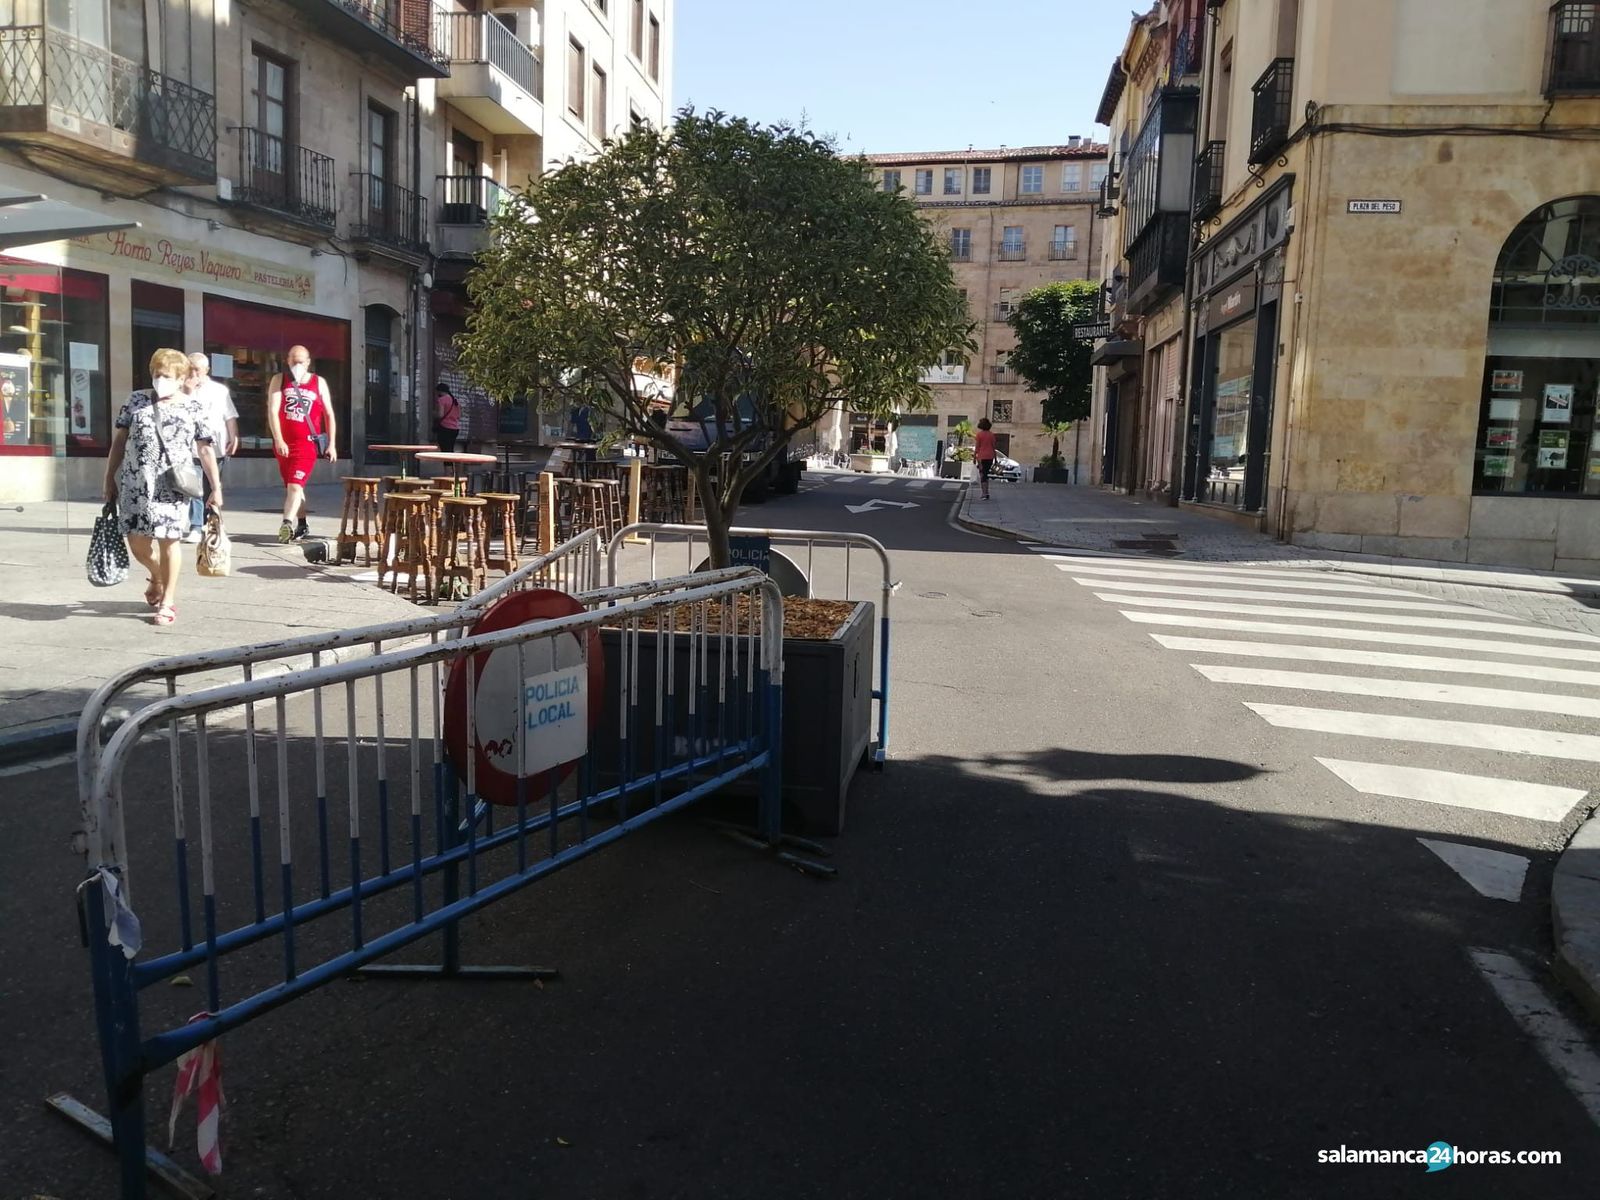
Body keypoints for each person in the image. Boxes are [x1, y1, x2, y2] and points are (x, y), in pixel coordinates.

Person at [102, 348, 223, 626]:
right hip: (135, 482)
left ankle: (168, 600)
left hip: (172, 486)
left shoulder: (193, 407)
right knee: (137, 543)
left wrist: (216, 487)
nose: (160, 380)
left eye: (166, 375)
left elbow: (204, 450)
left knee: (170, 541)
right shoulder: (136, 400)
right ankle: (156, 574)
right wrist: (108, 477)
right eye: (157, 374)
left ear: (181, 378)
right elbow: (119, 442)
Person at [267, 344, 337, 542]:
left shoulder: (318, 382)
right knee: (293, 487)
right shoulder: (279, 380)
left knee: (295, 487)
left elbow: (329, 413)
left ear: (308, 362)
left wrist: (331, 444)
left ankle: (286, 524)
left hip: (306, 445)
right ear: (288, 361)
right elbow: (273, 410)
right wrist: (278, 439)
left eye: (301, 361)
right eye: (293, 361)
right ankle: (303, 523)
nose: (297, 365)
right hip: (284, 445)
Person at [182, 353, 240, 543]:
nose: (193, 373)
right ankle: (196, 526)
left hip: (216, 446)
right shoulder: (182, 390)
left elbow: (229, 416)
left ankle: (211, 521)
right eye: (190, 368)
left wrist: (234, 437)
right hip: (191, 447)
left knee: (213, 487)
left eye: (197, 369)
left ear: (206, 370)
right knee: (196, 487)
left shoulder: (219, 390)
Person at [433, 383, 461, 453]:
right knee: (450, 449)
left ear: (439, 391)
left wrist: (434, 414)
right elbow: (459, 415)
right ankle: (450, 463)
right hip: (455, 428)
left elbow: (440, 415)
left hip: (445, 428)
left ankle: (448, 464)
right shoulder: (455, 400)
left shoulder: (442, 400)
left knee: (445, 450)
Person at [974, 416, 997, 500]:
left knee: (982, 474)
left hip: (981, 457)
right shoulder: (992, 435)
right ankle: (986, 492)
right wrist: (995, 458)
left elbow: (977, 447)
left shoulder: (979, 435)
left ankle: (984, 493)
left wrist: (974, 457)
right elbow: (994, 447)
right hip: (990, 456)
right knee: (986, 474)